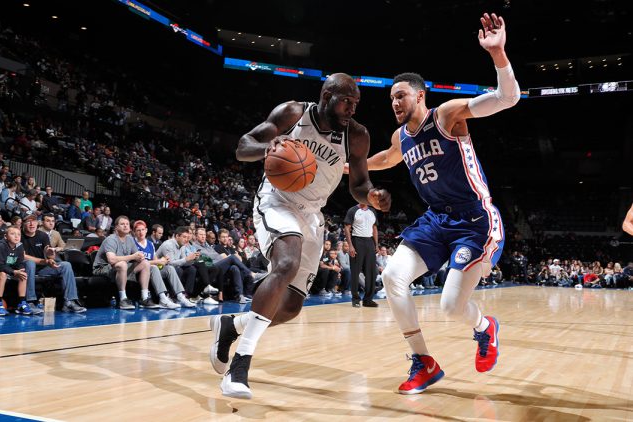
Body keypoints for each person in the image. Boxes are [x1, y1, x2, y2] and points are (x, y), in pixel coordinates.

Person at [360, 13, 519, 394]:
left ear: (420, 94)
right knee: (392, 277)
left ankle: (484, 328)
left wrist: (498, 54)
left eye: (401, 95)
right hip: (435, 221)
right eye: (391, 98)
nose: (395, 102)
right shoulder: (402, 137)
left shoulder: (446, 116)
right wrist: (349, 164)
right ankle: (424, 362)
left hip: (475, 221)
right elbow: (385, 158)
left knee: (450, 306)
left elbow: (506, 98)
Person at [210, 72, 391, 399]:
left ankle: (232, 326)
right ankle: (240, 365)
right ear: (326, 97)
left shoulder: (358, 135)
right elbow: (243, 147)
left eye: (356, 103)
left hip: (312, 214)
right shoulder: (293, 113)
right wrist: (270, 146)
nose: (352, 108)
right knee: (286, 262)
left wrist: (373, 195)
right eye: (346, 101)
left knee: (292, 306)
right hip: (277, 200)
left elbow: (359, 185)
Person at [21, 214, 86, 313]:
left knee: (66, 265)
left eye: (33, 221)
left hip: (43, 268)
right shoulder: (19, 235)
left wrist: (51, 255)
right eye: (28, 221)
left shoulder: (42, 235)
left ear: (37, 223)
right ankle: (30, 302)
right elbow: (23, 256)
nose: (31, 224)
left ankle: (69, 301)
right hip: (25, 268)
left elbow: (48, 251)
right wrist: (44, 261)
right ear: (23, 224)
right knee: (30, 263)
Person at [92, 216, 159, 310]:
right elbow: (111, 260)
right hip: (102, 268)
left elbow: (138, 256)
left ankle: (144, 298)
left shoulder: (130, 239)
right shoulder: (111, 239)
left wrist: (141, 257)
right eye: (122, 224)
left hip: (119, 268)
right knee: (122, 264)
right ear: (116, 227)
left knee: (145, 263)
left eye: (127, 224)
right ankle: (123, 299)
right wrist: (132, 257)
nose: (125, 226)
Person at [132, 220, 195, 309]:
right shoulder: (132, 243)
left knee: (169, 268)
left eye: (142, 230)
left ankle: (180, 296)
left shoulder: (150, 244)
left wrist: (163, 261)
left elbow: (156, 261)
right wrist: (157, 262)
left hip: (152, 269)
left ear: (146, 230)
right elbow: (138, 263)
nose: (141, 232)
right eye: (138, 230)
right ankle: (163, 298)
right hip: (138, 270)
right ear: (134, 232)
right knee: (154, 267)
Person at [344, 203, 379, 307]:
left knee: (371, 272)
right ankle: (355, 299)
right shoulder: (353, 210)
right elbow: (347, 228)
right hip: (357, 240)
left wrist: (376, 244)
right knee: (355, 271)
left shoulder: (372, 211)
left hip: (370, 242)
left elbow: (375, 228)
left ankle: (368, 300)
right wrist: (350, 245)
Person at [0, 226, 31, 316]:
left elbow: (20, 262)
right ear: (6, 236)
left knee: (23, 274)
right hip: (1, 270)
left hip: (9, 270)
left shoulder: (19, 246)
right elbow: (0, 265)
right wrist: (13, 272)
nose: (16, 236)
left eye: (18, 234)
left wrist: (20, 270)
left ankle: (22, 303)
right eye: (12, 234)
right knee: (2, 274)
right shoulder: (1, 246)